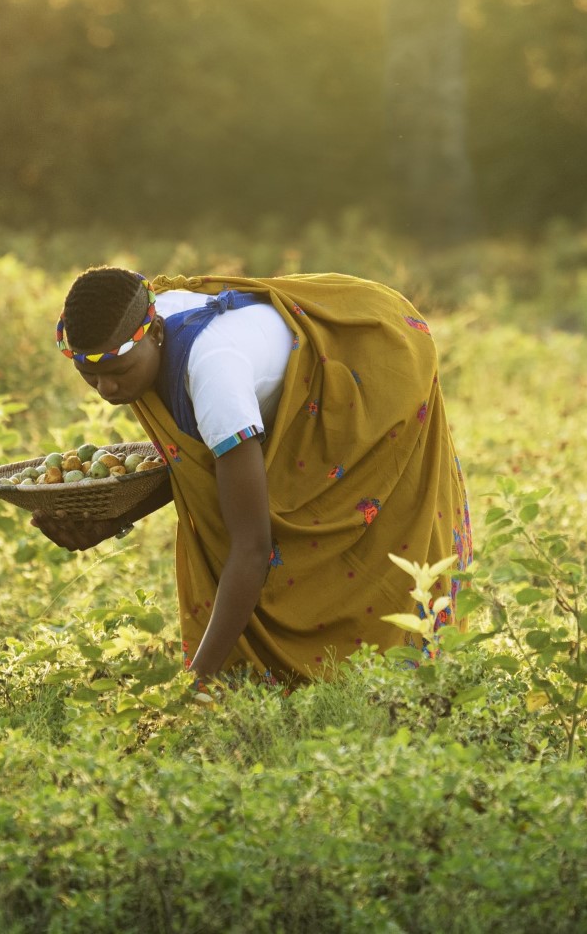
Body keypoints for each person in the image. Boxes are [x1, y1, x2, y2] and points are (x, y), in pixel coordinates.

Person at [32, 268, 473, 684]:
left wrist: (196, 682)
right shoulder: (136, 332)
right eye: (90, 377)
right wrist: (112, 519)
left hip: (374, 373)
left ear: (158, 333)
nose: (107, 390)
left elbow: (251, 547)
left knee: (374, 539)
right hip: (281, 397)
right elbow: (197, 464)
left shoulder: (214, 375)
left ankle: (407, 679)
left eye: (117, 374)